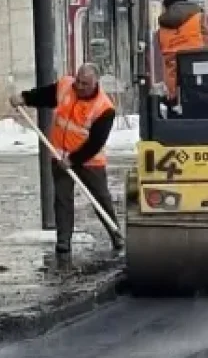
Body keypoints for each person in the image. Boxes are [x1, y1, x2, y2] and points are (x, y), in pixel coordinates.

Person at [9, 64, 124, 255]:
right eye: (78, 80)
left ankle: (116, 234)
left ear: (95, 83)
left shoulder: (104, 108)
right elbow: (45, 95)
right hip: (60, 155)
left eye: (84, 83)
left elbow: (96, 142)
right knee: (62, 200)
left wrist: (74, 159)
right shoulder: (65, 86)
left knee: (101, 199)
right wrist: (24, 97)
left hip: (89, 161)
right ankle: (63, 242)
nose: (78, 85)